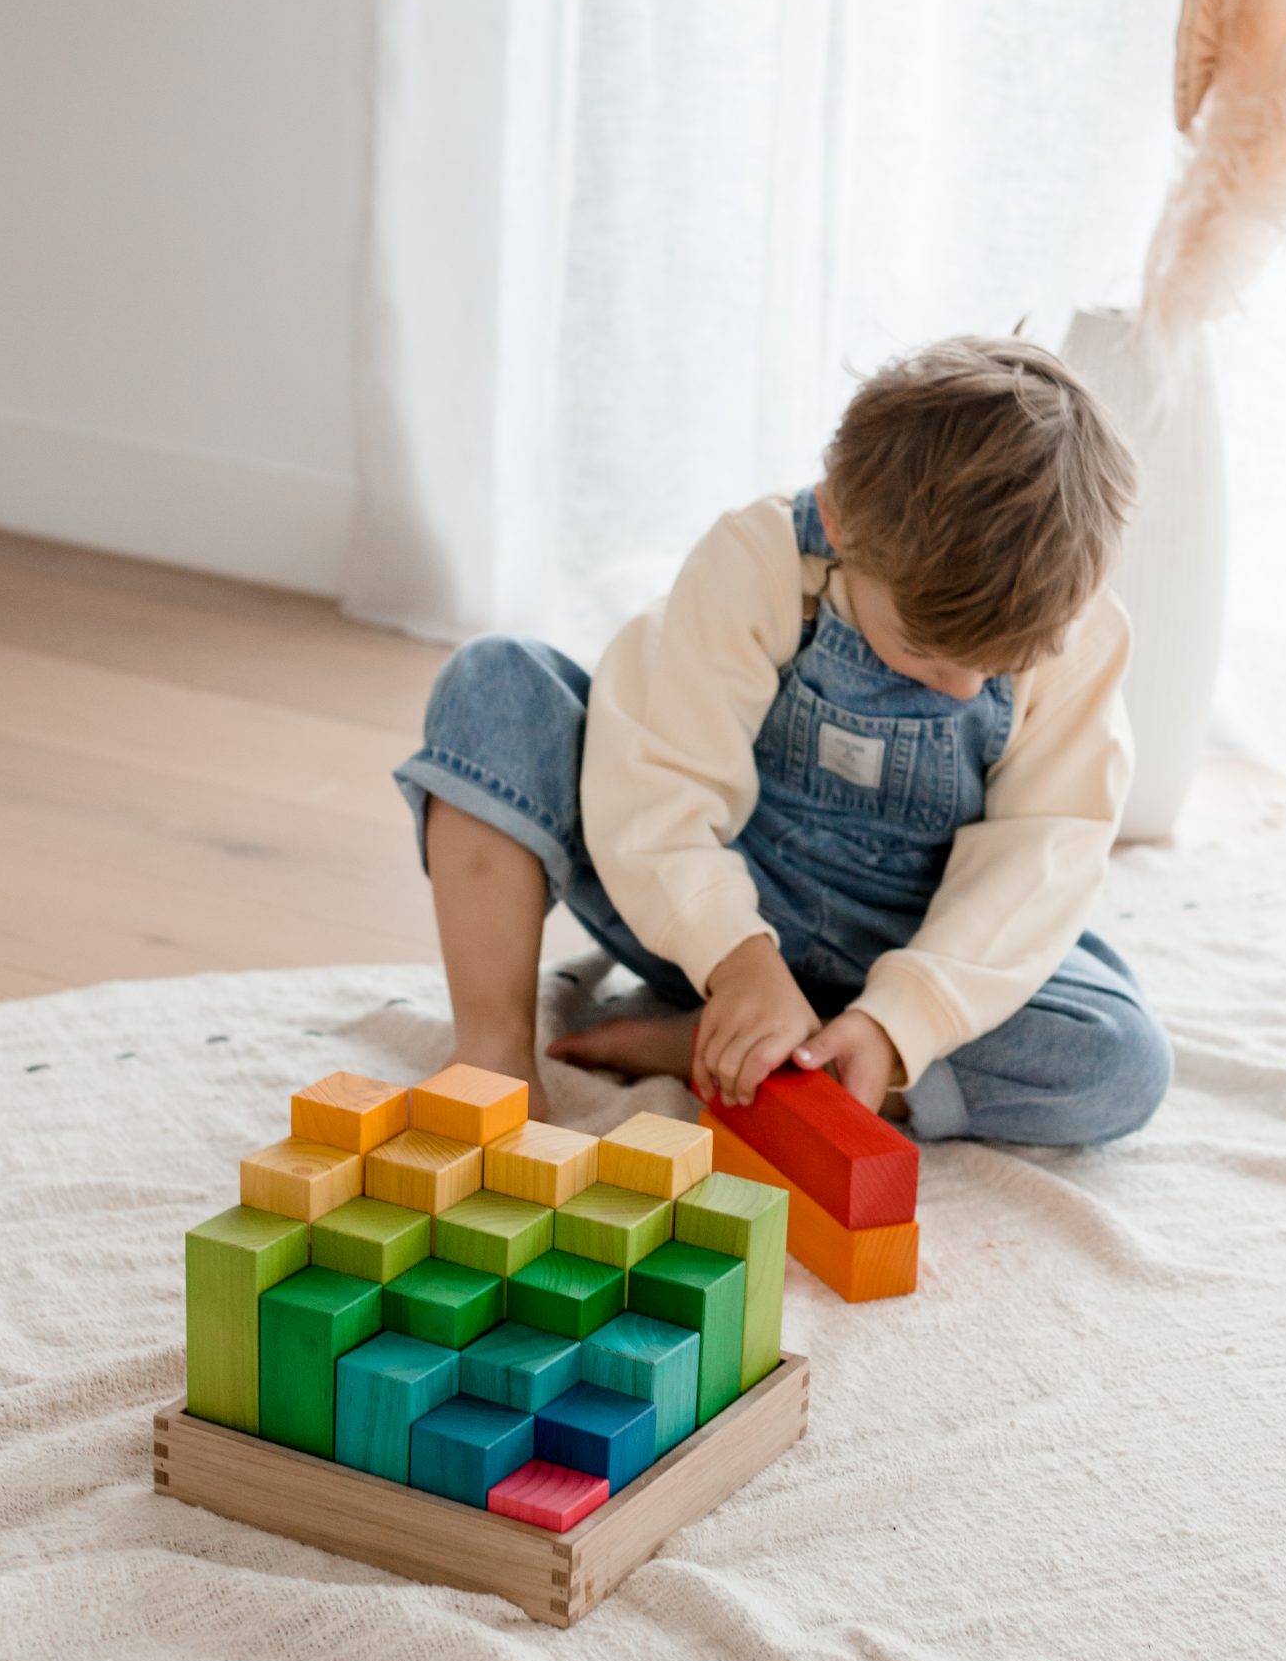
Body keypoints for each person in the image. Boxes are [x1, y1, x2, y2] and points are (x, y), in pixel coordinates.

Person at [394, 334, 1172, 1145]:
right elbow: (655, 779)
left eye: (1001, 667)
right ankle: (493, 1054)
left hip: (905, 937)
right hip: (695, 904)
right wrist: (733, 958)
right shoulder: (759, 559)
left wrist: (900, 1024)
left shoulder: (1080, 634)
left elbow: (1038, 863)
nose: (964, 689)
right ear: (838, 522)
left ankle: (777, 1057)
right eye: (924, 653)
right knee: (496, 679)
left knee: (1120, 1060)